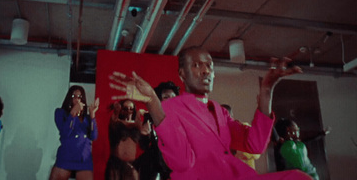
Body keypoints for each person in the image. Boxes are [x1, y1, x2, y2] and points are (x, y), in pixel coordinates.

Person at [109, 46, 313, 179]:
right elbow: (181, 161)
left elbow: (254, 143)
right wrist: (153, 102)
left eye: (210, 66)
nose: (206, 71)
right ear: (182, 74)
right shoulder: (170, 108)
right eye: (197, 66)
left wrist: (267, 90)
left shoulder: (219, 111)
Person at [49, 85, 99, 180]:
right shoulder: (60, 113)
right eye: (74, 96)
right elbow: (65, 133)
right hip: (66, 156)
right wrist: (73, 114)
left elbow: (94, 136)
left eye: (80, 97)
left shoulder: (87, 118)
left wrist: (92, 115)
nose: (77, 99)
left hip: (83, 158)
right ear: (69, 97)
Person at [105, 99, 150, 180]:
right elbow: (116, 120)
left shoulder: (137, 125)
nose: (128, 111)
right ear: (121, 110)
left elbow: (143, 142)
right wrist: (116, 109)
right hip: (116, 165)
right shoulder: (116, 122)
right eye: (125, 108)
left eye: (131, 108)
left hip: (131, 164)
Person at [221, 104, 261, 169]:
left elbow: (256, 153)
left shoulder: (243, 128)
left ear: (231, 116)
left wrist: (237, 152)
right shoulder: (216, 134)